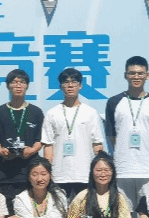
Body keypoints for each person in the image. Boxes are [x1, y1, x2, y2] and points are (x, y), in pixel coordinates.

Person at [105, 56, 149, 218]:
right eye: (132, 73)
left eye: (140, 73)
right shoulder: (114, 102)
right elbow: (112, 135)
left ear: (147, 75)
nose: (136, 77)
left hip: (147, 170)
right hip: (122, 170)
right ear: (126, 75)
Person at [0, 68, 45, 218]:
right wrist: (0, 151)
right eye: (14, 82)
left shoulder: (36, 112)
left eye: (22, 82)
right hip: (4, 173)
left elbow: (41, 139)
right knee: (4, 217)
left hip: (28, 172)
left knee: (28, 215)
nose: (18, 85)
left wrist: (32, 150)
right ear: (8, 86)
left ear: (27, 86)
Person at [42, 68, 105, 200]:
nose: (70, 85)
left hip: (84, 174)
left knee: (85, 210)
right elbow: (48, 146)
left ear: (80, 85)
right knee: (60, 210)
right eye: (66, 82)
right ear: (60, 86)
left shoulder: (90, 113)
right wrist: (48, 172)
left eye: (74, 82)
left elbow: (97, 145)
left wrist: (99, 171)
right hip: (59, 174)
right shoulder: (52, 113)